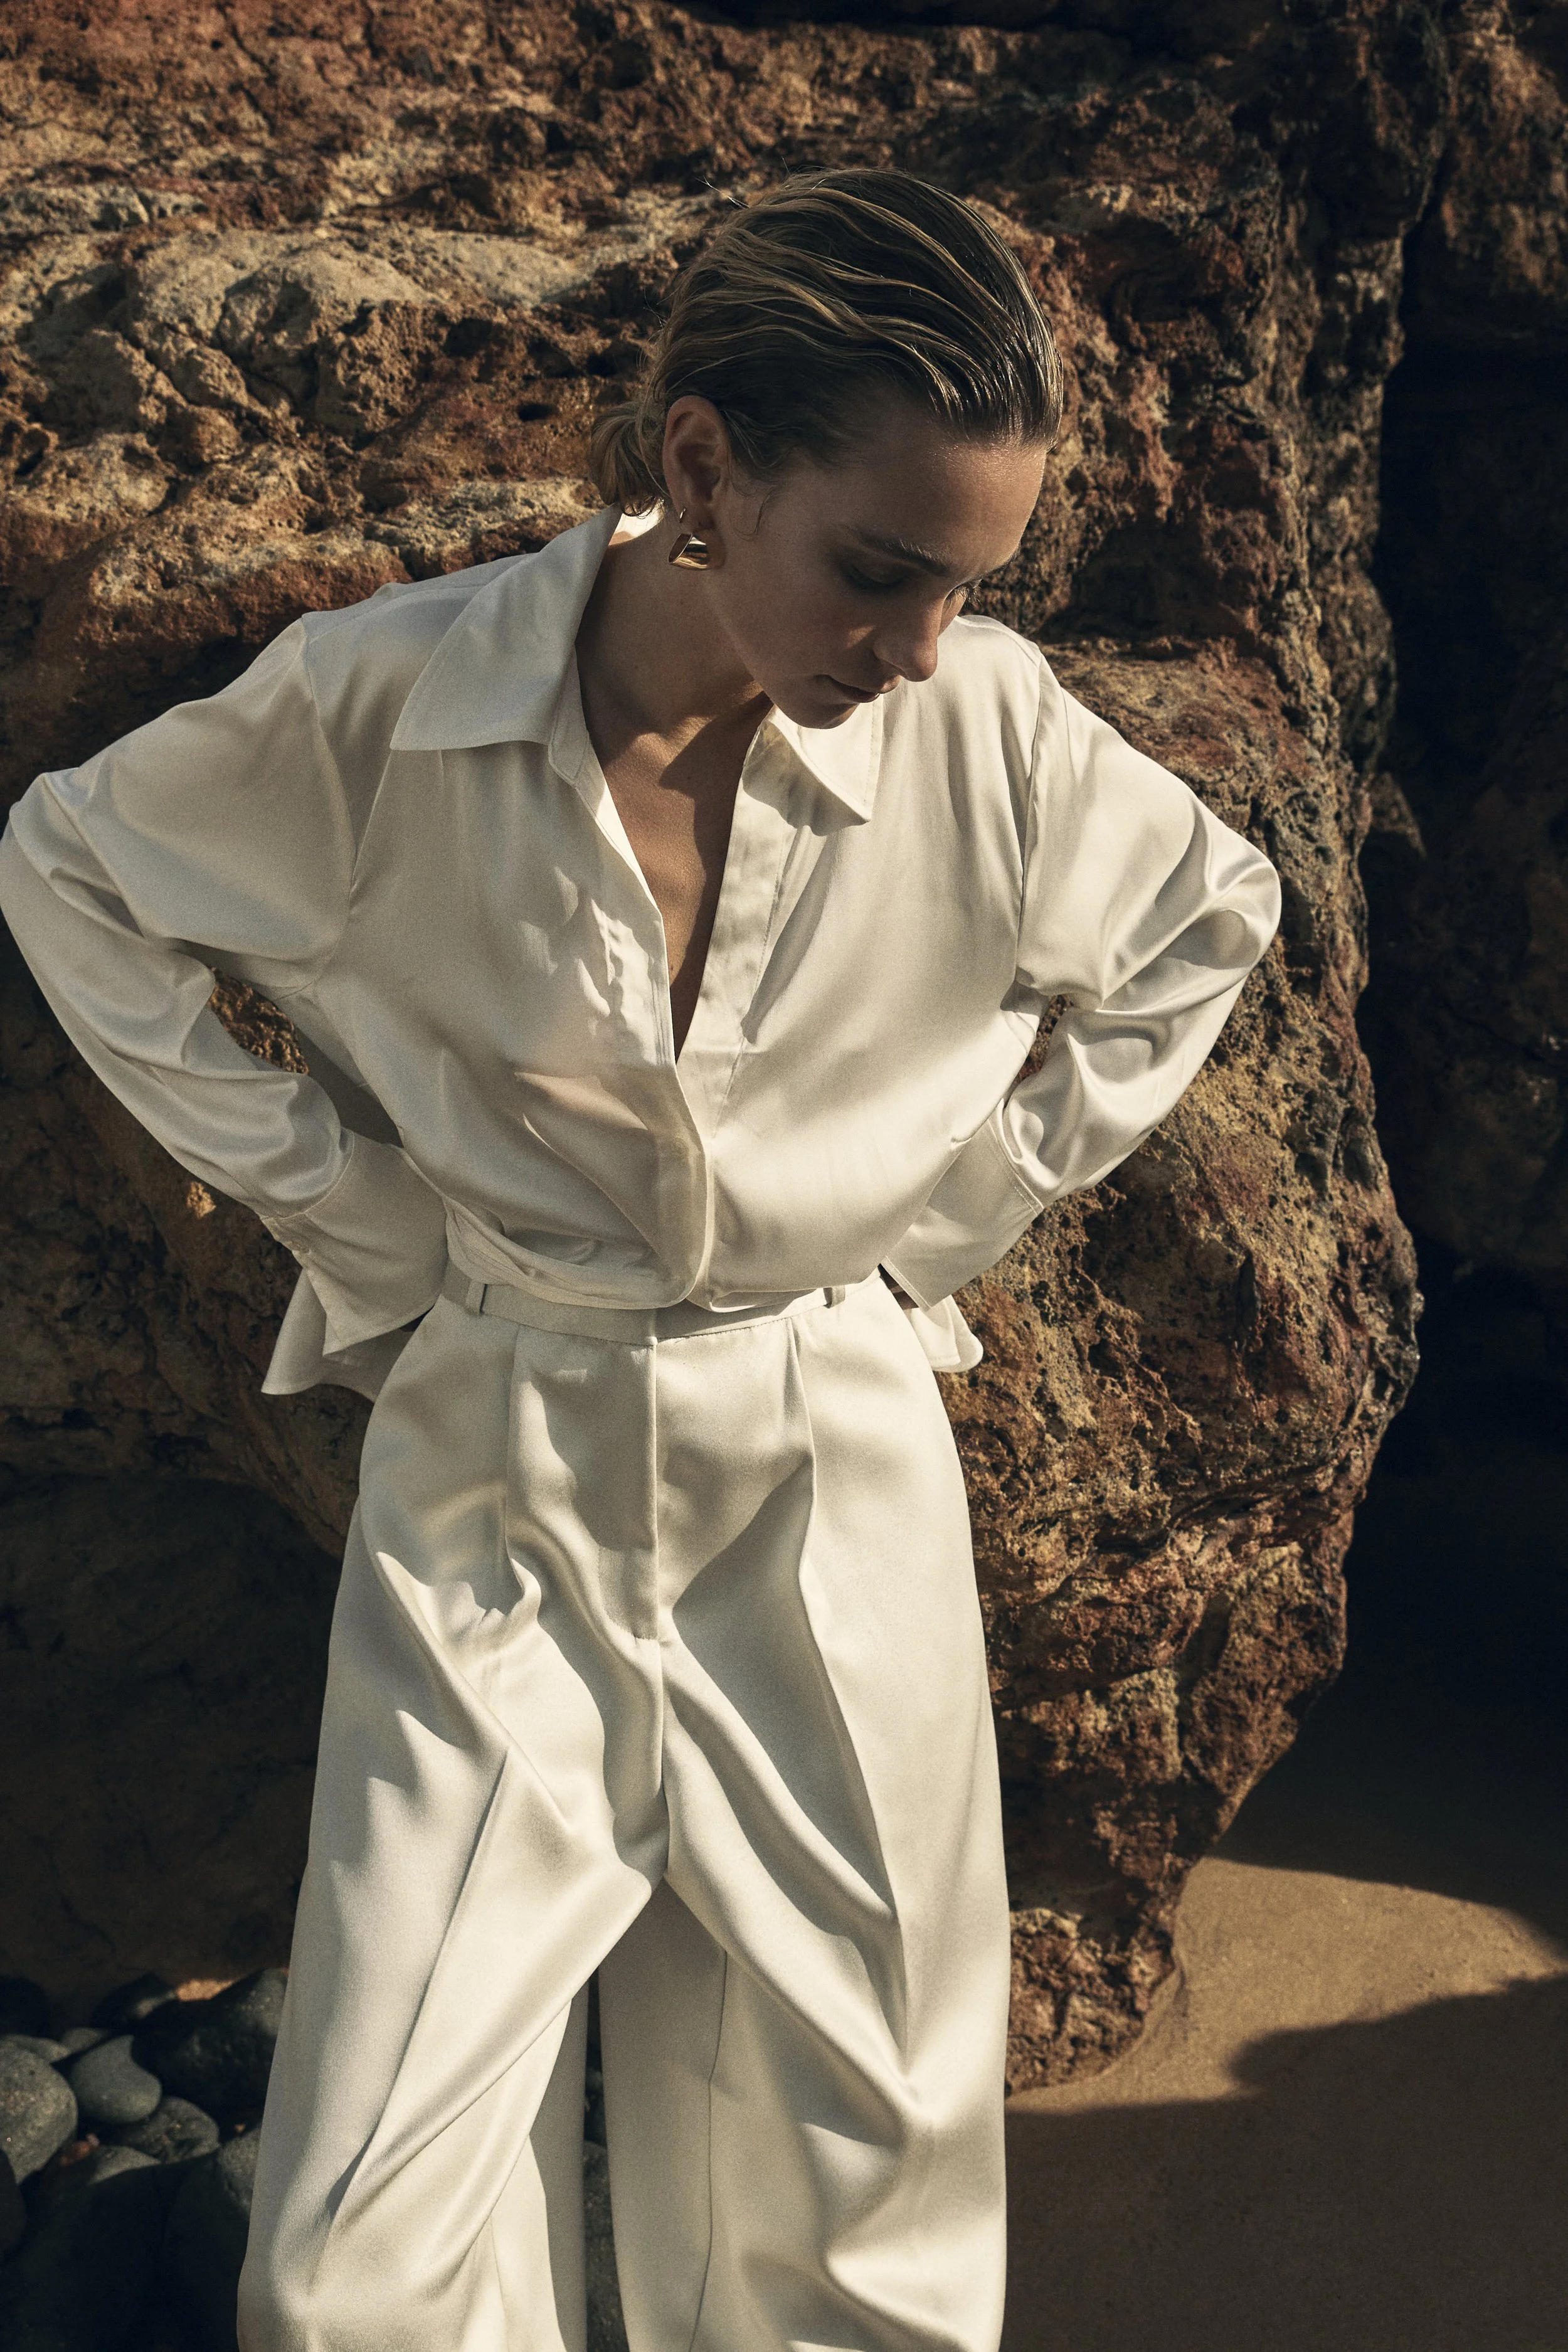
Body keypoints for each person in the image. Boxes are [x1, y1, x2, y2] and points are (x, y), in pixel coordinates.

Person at [0, 169, 1279, 2352]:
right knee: (354, 2245)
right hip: (501, 1448)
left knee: (858, 2190)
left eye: (968, 585)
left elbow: (1202, 920)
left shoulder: (984, 732)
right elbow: (75, 870)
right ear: (700, 464)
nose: (918, 647)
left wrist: (935, 1222)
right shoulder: (387, 706)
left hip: (835, 1463)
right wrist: (344, 1200)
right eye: (880, 567)